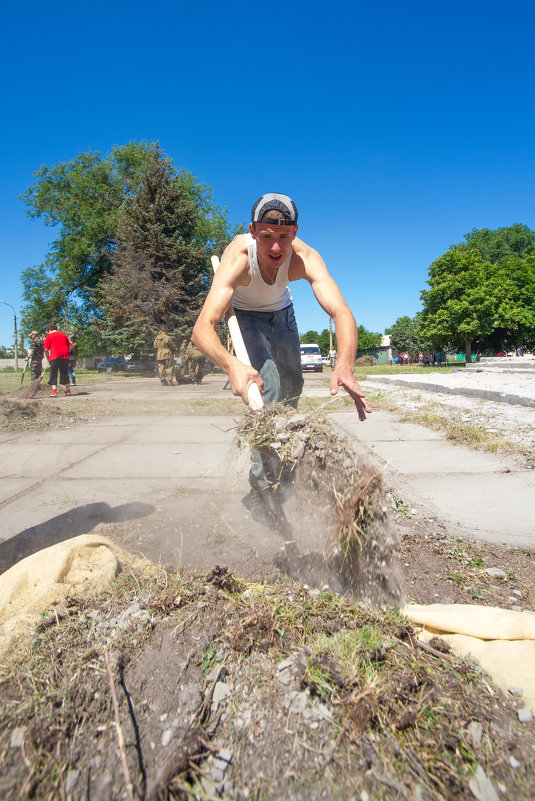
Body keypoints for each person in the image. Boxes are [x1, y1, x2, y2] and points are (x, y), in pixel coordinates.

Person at [192, 192, 370, 421]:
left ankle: (288, 441)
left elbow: (341, 311)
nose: (276, 247)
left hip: (283, 313)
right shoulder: (239, 259)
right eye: (266, 236)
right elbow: (201, 328)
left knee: (293, 384)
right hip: (246, 315)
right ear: (253, 231)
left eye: (284, 236)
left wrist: (345, 365)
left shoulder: (304, 257)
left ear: (295, 232)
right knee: (268, 383)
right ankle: (265, 450)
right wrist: (231, 365)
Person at [43, 324, 72, 397]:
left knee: (53, 374)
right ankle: (68, 391)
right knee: (65, 373)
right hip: (65, 357)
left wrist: (48, 358)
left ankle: (54, 392)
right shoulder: (64, 335)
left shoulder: (49, 336)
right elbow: (70, 346)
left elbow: (46, 349)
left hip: (54, 356)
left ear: (49, 330)